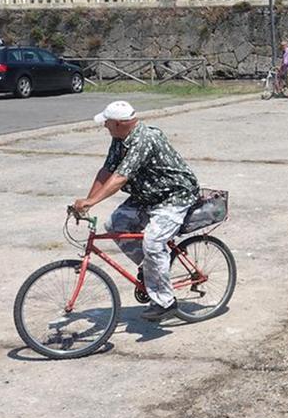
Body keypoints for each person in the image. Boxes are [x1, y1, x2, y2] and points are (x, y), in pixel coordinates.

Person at [72, 101, 200, 322]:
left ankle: (165, 302)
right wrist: (88, 200)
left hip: (174, 195)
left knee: (153, 241)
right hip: (147, 195)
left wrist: (92, 201)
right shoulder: (120, 139)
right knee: (115, 225)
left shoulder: (144, 139)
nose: (104, 126)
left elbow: (120, 178)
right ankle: (149, 268)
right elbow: (107, 171)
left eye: (107, 122)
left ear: (120, 123)